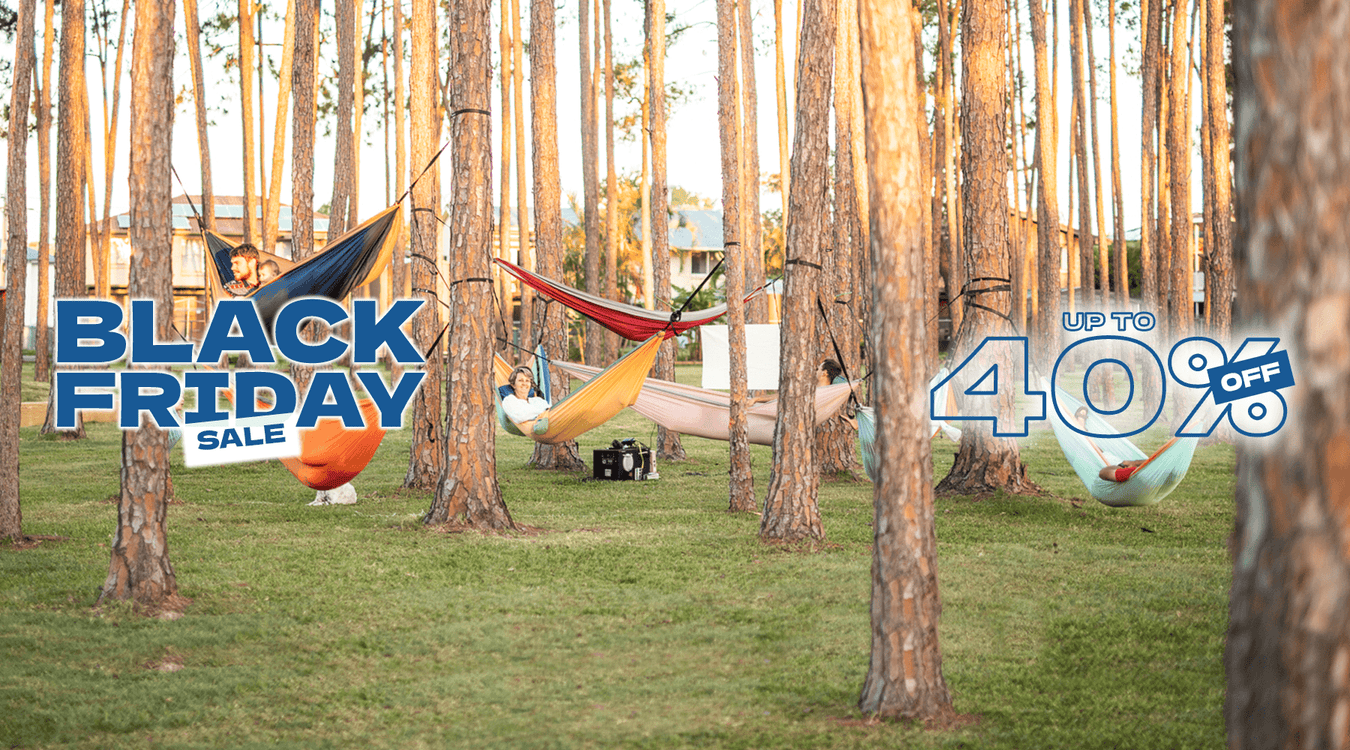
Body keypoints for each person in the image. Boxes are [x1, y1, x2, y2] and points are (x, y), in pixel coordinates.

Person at [1073, 406, 1145, 482]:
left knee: (1111, 464)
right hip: (1108, 460)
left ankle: (1081, 429)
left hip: (1109, 461)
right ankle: (1129, 468)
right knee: (1114, 461)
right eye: (1081, 415)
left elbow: (1104, 471)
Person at [501, 365, 550, 431]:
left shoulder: (538, 400)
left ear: (530, 384)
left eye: (527, 381)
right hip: (531, 429)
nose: (524, 383)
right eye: (520, 380)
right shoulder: (509, 400)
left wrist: (532, 413)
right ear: (513, 385)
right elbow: (519, 417)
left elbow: (550, 412)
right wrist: (542, 413)